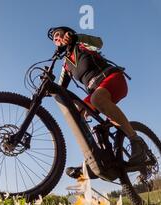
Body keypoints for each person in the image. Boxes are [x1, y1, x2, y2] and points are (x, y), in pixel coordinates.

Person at [47, 26, 147, 179]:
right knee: (75, 112)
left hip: (112, 79)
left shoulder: (81, 45)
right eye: (55, 39)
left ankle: (136, 141)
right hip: (98, 92)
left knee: (96, 99)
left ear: (67, 33)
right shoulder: (66, 65)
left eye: (59, 34)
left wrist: (76, 37)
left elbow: (98, 43)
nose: (57, 39)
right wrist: (49, 85)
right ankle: (95, 158)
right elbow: (61, 88)